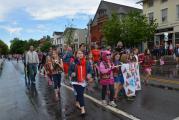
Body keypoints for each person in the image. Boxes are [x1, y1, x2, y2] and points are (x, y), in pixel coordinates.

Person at [68, 50, 92, 115]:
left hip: (83, 81)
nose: (80, 54)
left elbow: (90, 70)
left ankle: (77, 102)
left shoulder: (87, 62)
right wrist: (71, 73)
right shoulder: (73, 63)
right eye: (78, 53)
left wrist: (89, 74)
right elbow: (69, 71)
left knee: (79, 93)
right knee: (80, 93)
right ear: (76, 55)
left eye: (81, 53)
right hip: (75, 81)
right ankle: (83, 108)